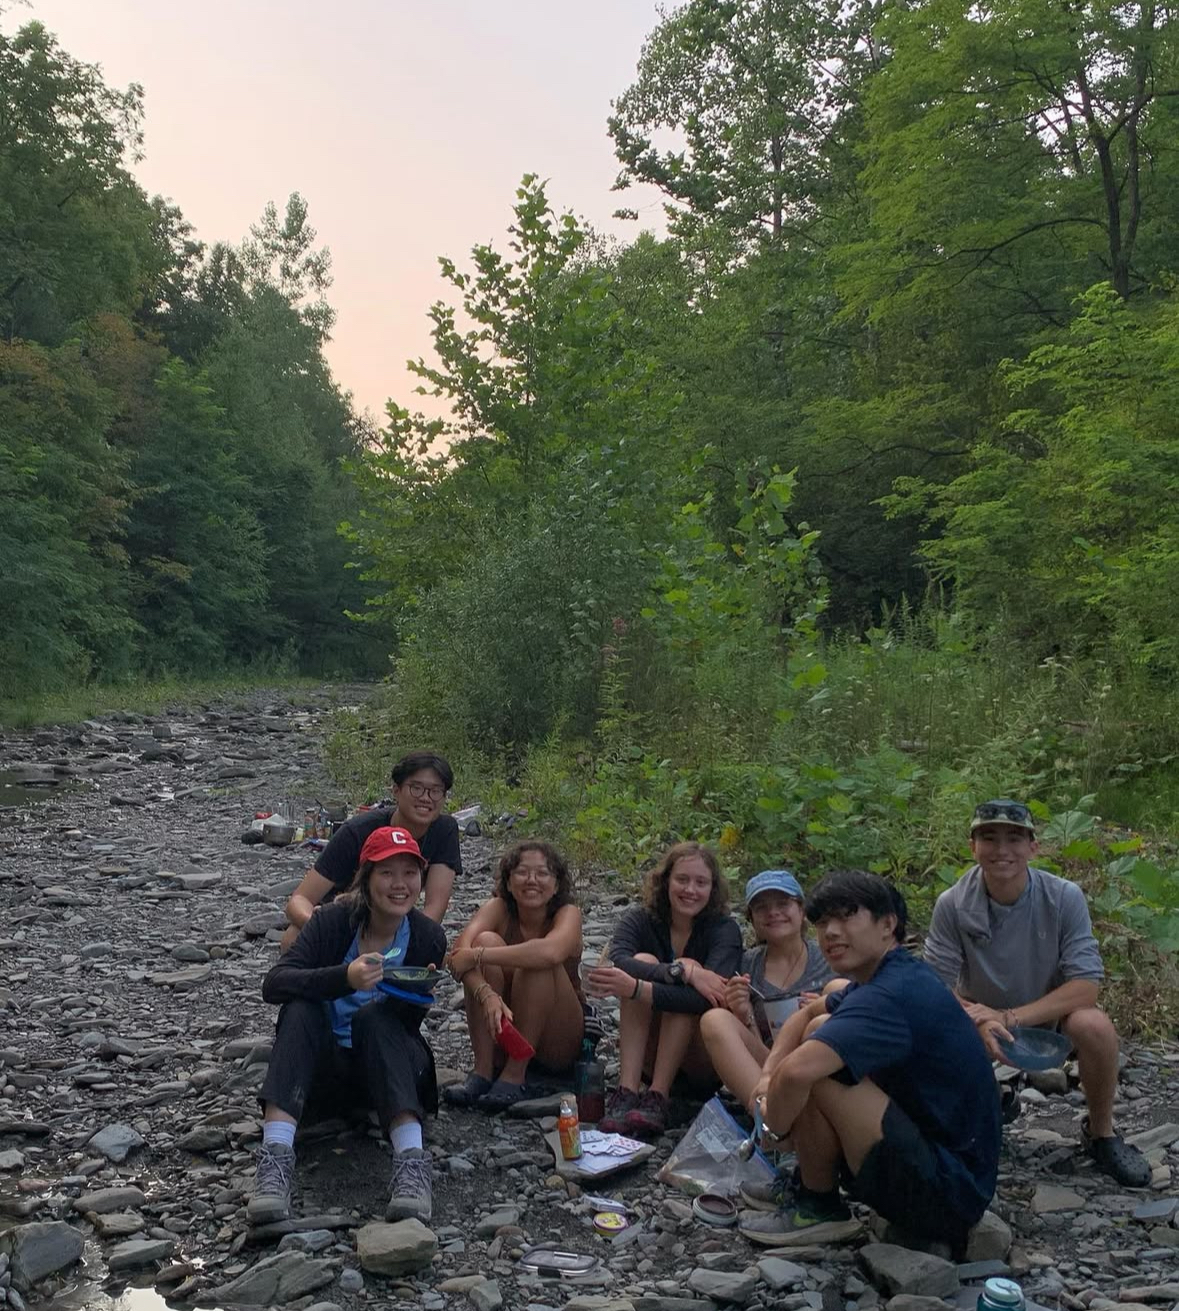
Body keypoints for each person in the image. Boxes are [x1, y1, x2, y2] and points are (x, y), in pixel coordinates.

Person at [739, 870, 1000, 1252]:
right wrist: (766, 1076)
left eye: (846, 917)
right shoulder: (887, 977)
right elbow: (803, 1018)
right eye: (823, 922)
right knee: (822, 1032)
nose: (830, 932)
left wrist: (774, 1130)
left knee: (817, 1071)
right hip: (950, 1169)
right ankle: (814, 1185)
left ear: (887, 924)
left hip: (947, 1194)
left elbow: (796, 1073)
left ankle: (818, 1206)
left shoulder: (889, 995)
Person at [924, 798, 1150, 1188]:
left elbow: (1086, 985)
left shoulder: (1063, 897)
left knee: (1094, 1024)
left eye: (1015, 838)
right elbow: (932, 986)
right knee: (932, 1036)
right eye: (989, 838)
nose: (1002, 850)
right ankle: (979, 1112)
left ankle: (1101, 1133)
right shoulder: (953, 904)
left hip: (1049, 1016)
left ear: (1034, 847)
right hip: (977, 1018)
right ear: (972, 846)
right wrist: (979, 1017)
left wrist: (1009, 1017)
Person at [249, 826, 446, 1226]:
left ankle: (411, 1163)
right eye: (387, 873)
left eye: (409, 873)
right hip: (326, 1073)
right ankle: (275, 1160)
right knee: (301, 1010)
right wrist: (345, 978)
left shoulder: (428, 937)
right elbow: (275, 984)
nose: (399, 885)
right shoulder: (333, 922)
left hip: (388, 1075)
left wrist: (415, 991)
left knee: (375, 1017)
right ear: (366, 878)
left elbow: (406, 1028)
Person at [584, 842, 742, 1137]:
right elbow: (619, 958)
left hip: (701, 1063)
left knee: (679, 983)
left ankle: (658, 1095)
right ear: (666, 880)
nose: (690, 890)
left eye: (701, 882)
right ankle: (628, 1090)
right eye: (682, 879)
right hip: (650, 1053)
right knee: (647, 963)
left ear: (712, 889)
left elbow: (708, 999)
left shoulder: (724, 931)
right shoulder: (642, 919)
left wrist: (644, 985)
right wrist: (680, 972)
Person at [443, 841, 585, 1111]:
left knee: (537, 963)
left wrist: (478, 955)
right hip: (504, 1025)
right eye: (522, 872)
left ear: (556, 885)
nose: (532, 880)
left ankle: (514, 1074)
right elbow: (459, 954)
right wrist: (486, 995)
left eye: (542, 873)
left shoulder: (568, 914)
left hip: (557, 1038)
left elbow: (550, 952)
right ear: (508, 882)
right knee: (486, 939)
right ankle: (484, 1071)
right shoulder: (498, 908)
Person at [282, 751, 461, 949]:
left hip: (392, 921)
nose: (426, 798)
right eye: (416, 788)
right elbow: (299, 900)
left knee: (432, 944)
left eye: (436, 791)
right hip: (343, 919)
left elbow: (435, 908)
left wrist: (408, 944)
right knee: (294, 936)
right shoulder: (357, 832)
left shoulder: (444, 830)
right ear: (396, 790)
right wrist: (322, 929)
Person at [700, 869, 836, 1117]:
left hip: (817, 1065)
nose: (773, 913)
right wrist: (743, 1013)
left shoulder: (829, 958)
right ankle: (767, 1122)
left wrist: (827, 1007)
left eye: (783, 904)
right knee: (715, 1019)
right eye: (762, 908)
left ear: (802, 911)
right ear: (752, 919)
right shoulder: (747, 964)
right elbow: (751, 1041)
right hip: (767, 1067)